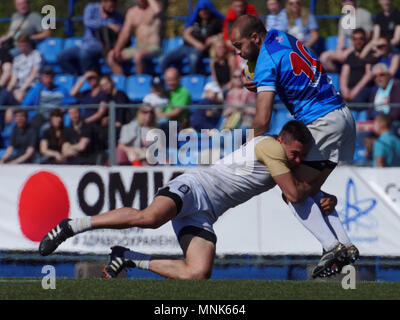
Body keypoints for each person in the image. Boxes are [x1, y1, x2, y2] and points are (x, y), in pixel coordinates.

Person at [39, 120, 339, 280]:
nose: (297, 159)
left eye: (301, 154)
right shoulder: (271, 149)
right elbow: (294, 192)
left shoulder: (283, 158)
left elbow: (298, 188)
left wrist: (326, 197)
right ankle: (72, 225)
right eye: (294, 153)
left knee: (197, 273)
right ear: (281, 142)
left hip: (206, 212)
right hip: (194, 187)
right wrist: (320, 185)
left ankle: (129, 257)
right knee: (149, 218)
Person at [230, 15, 358, 277]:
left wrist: (245, 152)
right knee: (308, 191)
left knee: (292, 192)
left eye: (239, 46)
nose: (239, 53)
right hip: (343, 116)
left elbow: (263, 119)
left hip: (321, 121)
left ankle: (331, 246)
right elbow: (283, 69)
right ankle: (345, 244)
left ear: (254, 38)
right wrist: (255, 74)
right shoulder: (279, 34)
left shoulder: (265, 61)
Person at [58, 0, 124, 75]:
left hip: (102, 46)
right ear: (102, 2)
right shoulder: (91, 8)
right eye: (109, 4)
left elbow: (122, 30)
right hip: (85, 44)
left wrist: (117, 29)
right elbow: (88, 22)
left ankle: (90, 78)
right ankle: (76, 77)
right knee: (62, 56)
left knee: (85, 54)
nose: (112, 6)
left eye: (113, 4)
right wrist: (107, 24)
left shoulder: (117, 16)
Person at [159, 0, 224, 74]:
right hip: (186, 47)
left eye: (205, 10)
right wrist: (196, 43)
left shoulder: (216, 21)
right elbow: (186, 34)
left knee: (193, 59)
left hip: (203, 49)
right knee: (162, 59)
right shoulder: (195, 20)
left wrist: (214, 38)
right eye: (201, 10)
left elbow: (224, 33)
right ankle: (171, 78)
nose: (203, 12)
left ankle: (192, 81)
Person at [107, 0, 162, 75]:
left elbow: (158, 10)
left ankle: (139, 82)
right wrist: (117, 50)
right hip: (138, 48)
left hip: (153, 47)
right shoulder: (132, 12)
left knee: (138, 56)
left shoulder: (153, 9)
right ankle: (121, 81)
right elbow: (125, 33)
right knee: (111, 56)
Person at [320, 0, 373, 73]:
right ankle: (340, 73)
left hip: (361, 48)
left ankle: (347, 75)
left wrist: (348, 51)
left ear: (354, 1)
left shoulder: (365, 14)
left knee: (348, 56)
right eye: (344, 1)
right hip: (346, 49)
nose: (347, 3)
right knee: (324, 57)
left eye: (349, 1)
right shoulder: (343, 19)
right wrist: (339, 52)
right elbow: (341, 38)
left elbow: (367, 38)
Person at [19, 66, 75, 133]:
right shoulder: (37, 89)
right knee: (35, 123)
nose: (48, 80)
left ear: (53, 78)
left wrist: (64, 108)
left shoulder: (62, 90)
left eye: (50, 77)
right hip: (42, 116)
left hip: (56, 116)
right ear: (41, 78)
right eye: (46, 77)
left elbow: (71, 103)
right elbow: (26, 104)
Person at [339, 28, 376, 103]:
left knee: (356, 101)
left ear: (365, 40)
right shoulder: (350, 56)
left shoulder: (370, 54)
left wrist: (354, 92)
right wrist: (345, 90)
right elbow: (344, 74)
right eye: (355, 39)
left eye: (360, 39)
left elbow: (368, 75)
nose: (358, 42)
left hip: (364, 88)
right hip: (349, 89)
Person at [3, 34, 42, 104]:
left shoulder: (37, 55)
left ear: (29, 44)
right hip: (18, 86)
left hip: (32, 86)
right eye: (20, 46)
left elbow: (33, 75)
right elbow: (14, 78)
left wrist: (21, 89)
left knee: (18, 95)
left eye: (24, 45)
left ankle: (19, 113)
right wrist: (7, 91)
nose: (22, 48)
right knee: (4, 96)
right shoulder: (17, 58)